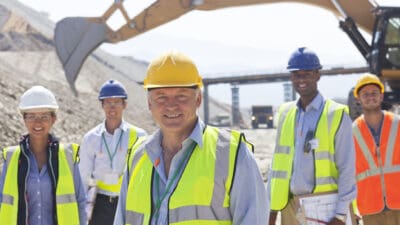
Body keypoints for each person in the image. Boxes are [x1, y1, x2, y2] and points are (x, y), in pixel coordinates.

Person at [113, 51, 269, 225]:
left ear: (198, 99)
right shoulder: (137, 156)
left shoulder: (231, 153)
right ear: (150, 103)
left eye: (181, 96)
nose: (171, 106)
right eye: (161, 97)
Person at [267, 47, 356, 225]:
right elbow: (277, 166)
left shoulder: (336, 114)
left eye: (306, 74)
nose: (301, 79)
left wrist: (340, 215)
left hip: (325, 207)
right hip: (290, 208)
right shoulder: (285, 113)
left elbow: (347, 168)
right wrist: (271, 210)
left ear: (317, 75)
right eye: (296, 74)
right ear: (291, 77)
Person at [0, 85, 87, 225]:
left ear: (53, 119)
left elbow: (80, 202)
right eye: (31, 116)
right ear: (24, 119)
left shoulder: (67, 157)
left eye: (44, 116)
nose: (37, 122)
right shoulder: (12, 159)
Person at [79, 79, 147, 225]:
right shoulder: (91, 138)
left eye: (116, 102)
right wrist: (81, 212)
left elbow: (145, 175)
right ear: (102, 105)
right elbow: (83, 176)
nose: (112, 107)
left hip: (128, 202)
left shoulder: (139, 136)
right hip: (100, 204)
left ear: (124, 105)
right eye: (108, 102)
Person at [352, 73, 400, 225]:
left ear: (381, 96)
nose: (370, 97)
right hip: (369, 208)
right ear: (358, 99)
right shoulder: (352, 131)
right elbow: (348, 172)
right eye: (365, 94)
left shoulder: (397, 124)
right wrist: (352, 208)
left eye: (374, 93)